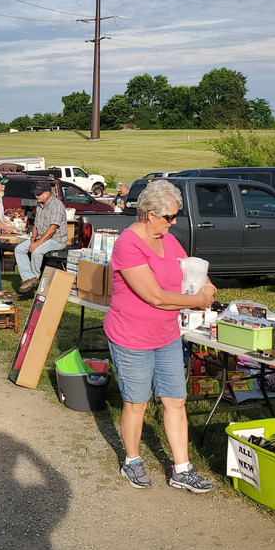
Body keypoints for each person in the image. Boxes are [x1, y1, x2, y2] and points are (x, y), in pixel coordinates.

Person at [104, 179, 217, 492]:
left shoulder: (168, 238)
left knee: (175, 401)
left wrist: (206, 285)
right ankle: (132, 460)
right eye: (169, 216)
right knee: (136, 403)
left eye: (175, 215)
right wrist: (196, 301)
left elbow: (191, 267)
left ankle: (181, 468)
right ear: (148, 214)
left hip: (166, 334)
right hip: (131, 336)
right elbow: (154, 296)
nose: (174, 221)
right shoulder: (128, 244)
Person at [14, 181, 67, 294]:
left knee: (37, 251)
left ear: (47, 194)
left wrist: (37, 244)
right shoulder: (39, 204)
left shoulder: (56, 206)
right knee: (19, 249)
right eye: (36, 193)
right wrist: (33, 238)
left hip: (56, 240)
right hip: (42, 237)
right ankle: (28, 278)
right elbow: (36, 223)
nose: (36, 196)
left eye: (39, 194)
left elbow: (53, 228)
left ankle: (34, 277)